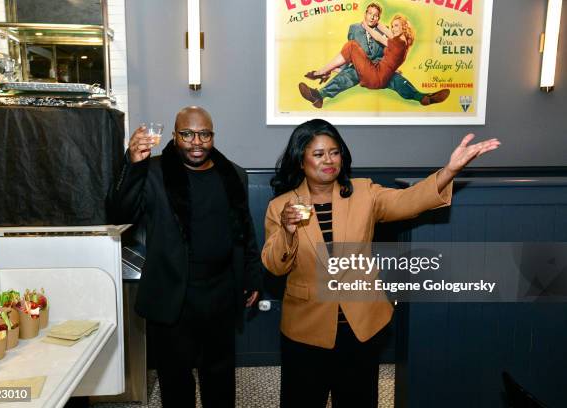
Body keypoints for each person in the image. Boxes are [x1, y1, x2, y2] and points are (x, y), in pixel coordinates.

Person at [261, 119, 500, 407]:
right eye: (319, 154)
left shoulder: (364, 193)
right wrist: (287, 231)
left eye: (334, 152)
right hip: (306, 331)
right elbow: (275, 266)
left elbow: (410, 201)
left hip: (360, 327)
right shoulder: (281, 207)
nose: (329, 160)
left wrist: (449, 171)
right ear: (301, 160)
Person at [107, 106, 262, 408]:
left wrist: (252, 273)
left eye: (204, 134)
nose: (196, 142)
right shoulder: (152, 171)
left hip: (220, 292)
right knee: (175, 380)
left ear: (212, 136)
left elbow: (245, 232)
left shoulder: (234, 175)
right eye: (187, 134)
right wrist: (132, 163)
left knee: (220, 377)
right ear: (176, 136)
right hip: (172, 293)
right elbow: (118, 215)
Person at [299, 2, 449, 108]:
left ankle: (421, 96)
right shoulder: (354, 28)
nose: (372, 17)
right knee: (349, 73)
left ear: (379, 18)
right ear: (365, 14)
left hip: (377, 70)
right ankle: (319, 96)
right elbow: (348, 54)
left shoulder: (388, 36)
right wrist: (338, 69)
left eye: (375, 15)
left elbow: (384, 46)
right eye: (369, 13)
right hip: (362, 68)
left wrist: (391, 67)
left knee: (397, 79)